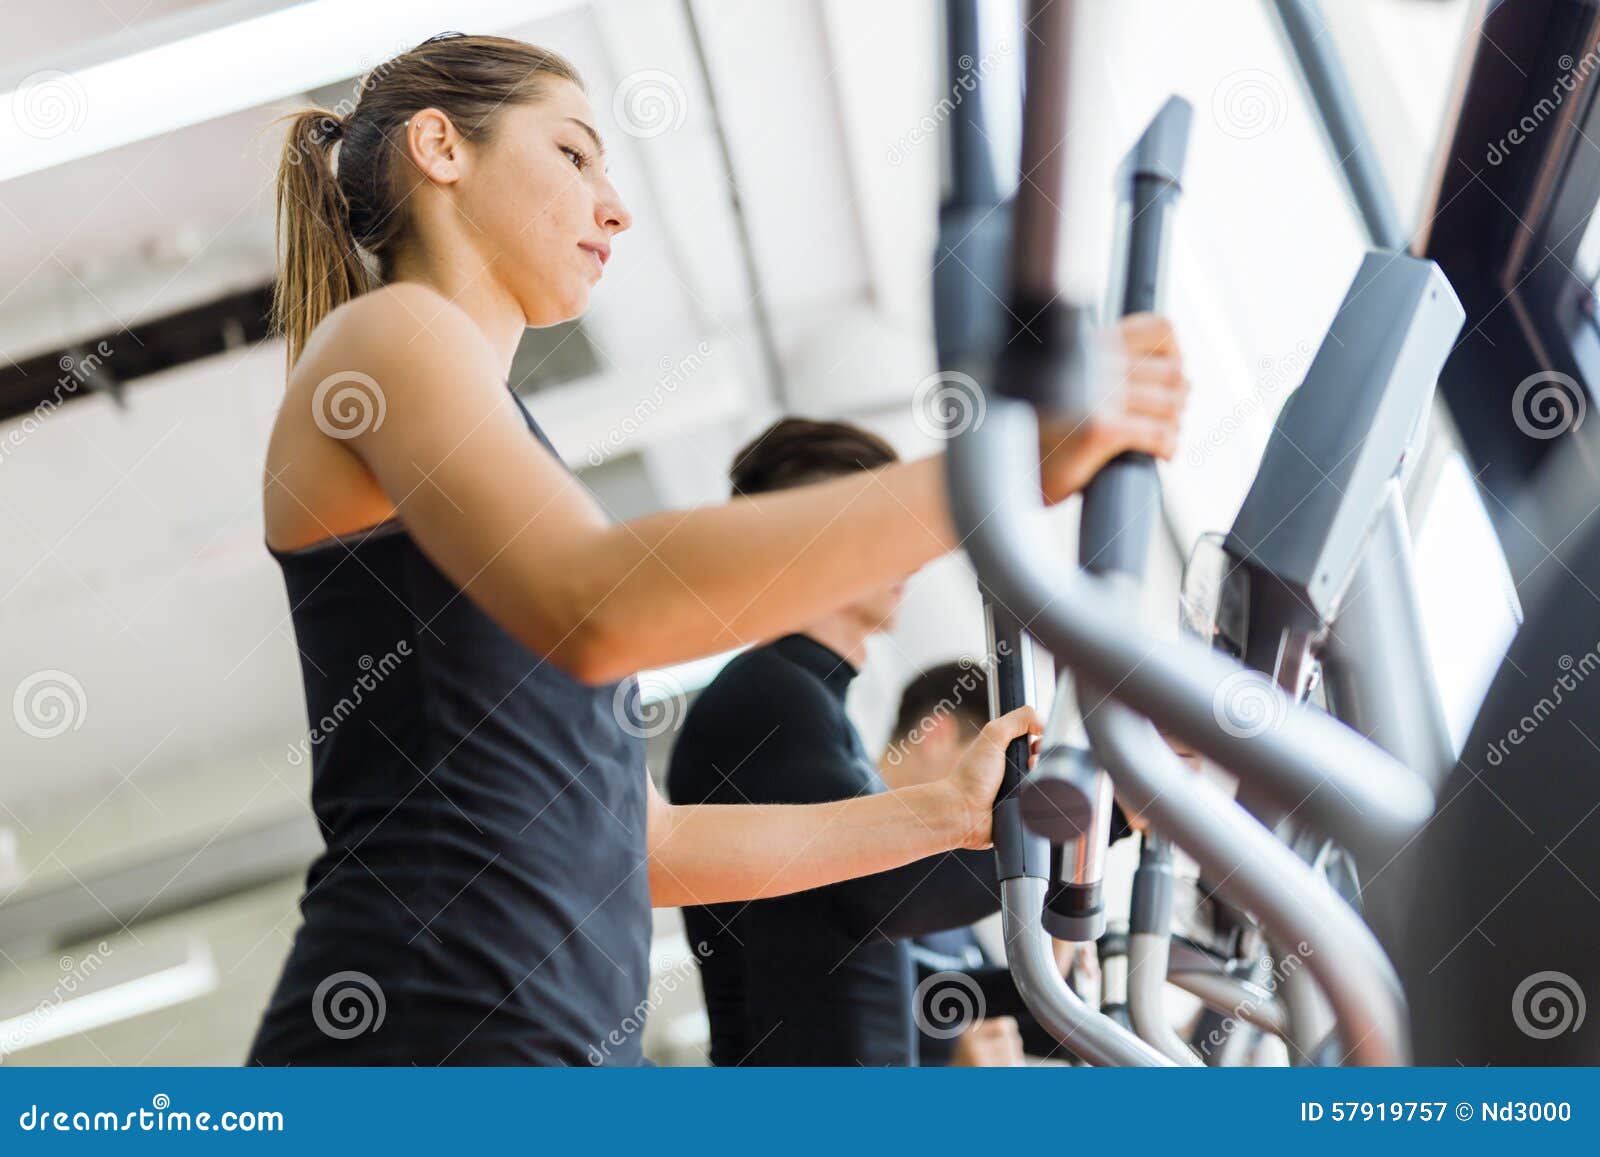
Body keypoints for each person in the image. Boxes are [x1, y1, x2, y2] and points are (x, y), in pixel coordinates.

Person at [249, 32, 1190, 1066]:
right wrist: (993, 480)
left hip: (547, 1045)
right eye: (573, 155)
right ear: (441, 146)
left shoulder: (512, 443)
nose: (615, 206)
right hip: (423, 1028)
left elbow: (650, 845)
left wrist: (939, 812)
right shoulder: (388, 338)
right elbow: (596, 606)